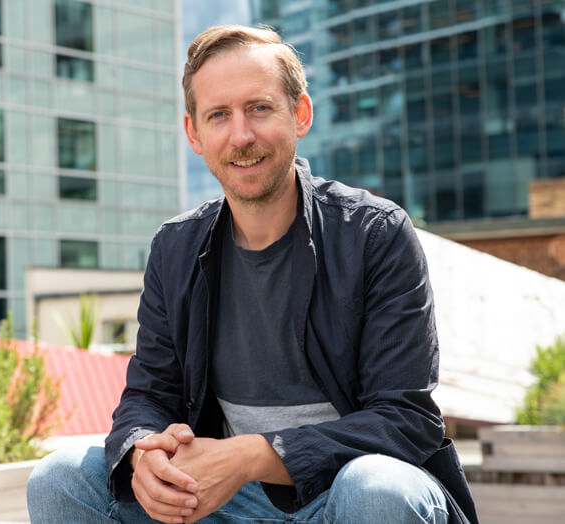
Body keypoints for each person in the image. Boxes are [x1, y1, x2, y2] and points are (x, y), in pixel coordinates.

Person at [27, 25, 478, 524]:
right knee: (60, 477)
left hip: (342, 494)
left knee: (377, 490)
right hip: (223, 499)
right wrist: (142, 451)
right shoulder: (175, 247)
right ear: (194, 133)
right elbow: (150, 394)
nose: (241, 136)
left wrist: (251, 456)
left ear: (299, 114)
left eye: (259, 108)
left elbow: (404, 419)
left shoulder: (375, 234)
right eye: (219, 115)